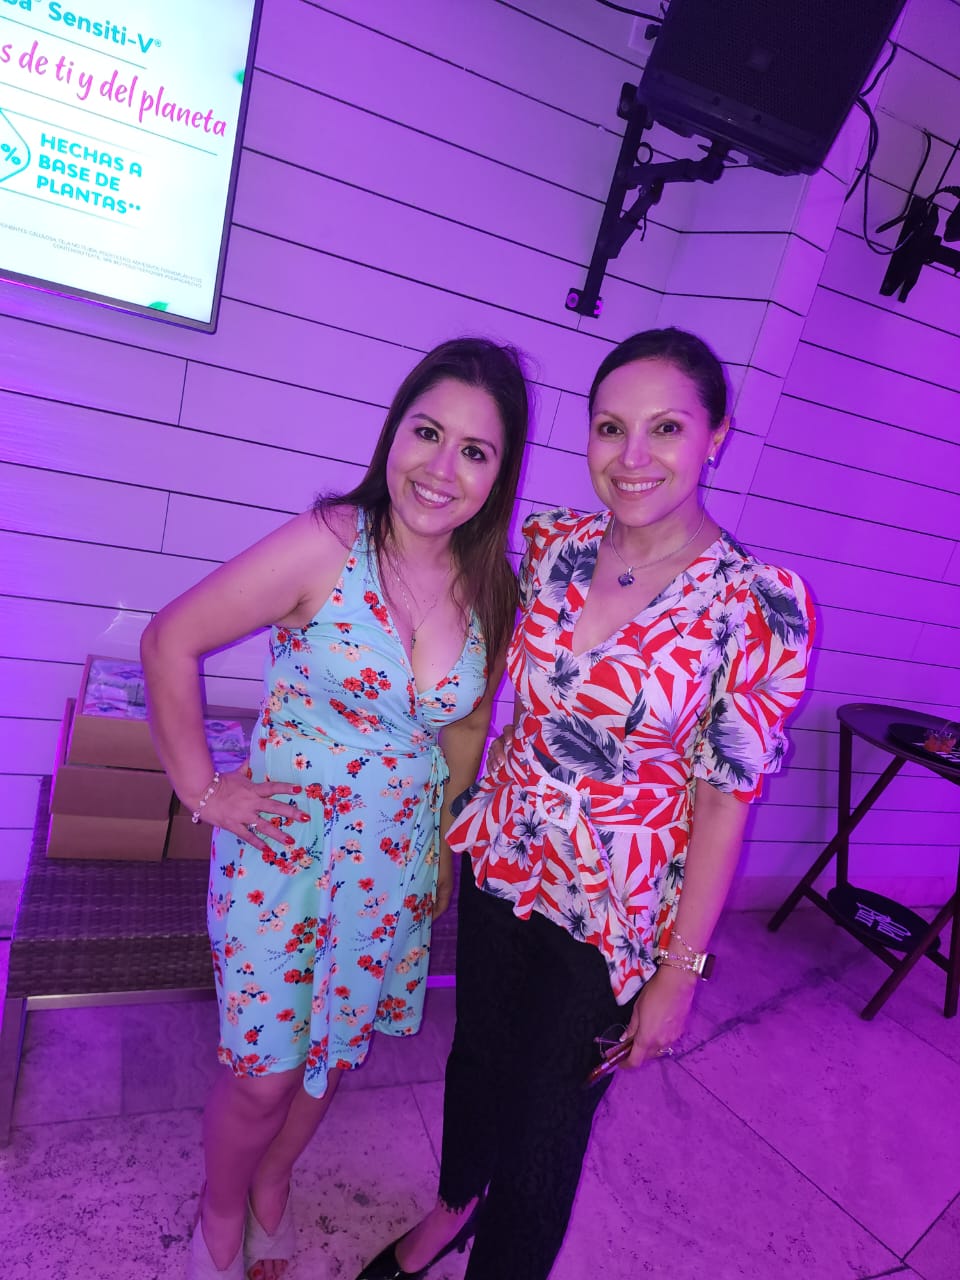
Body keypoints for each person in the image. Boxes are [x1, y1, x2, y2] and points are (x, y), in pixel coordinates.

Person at [355, 327, 815, 1280]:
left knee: (548, 1123)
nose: (632, 456)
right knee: (477, 1057)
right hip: (503, 859)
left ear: (717, 437)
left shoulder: (756, 606)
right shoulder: (552, 546)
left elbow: (724, 804)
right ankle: (454, 1205)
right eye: (611, 427)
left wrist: (680, 974)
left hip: (615, 912)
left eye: (666, 428)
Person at [140, 337, 530, 1280]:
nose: (442, 468)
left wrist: (441, 849)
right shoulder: (328, 542)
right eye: (427, 432)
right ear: (394, 432)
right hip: (285, 855)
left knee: (333, 1051)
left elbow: (464, 728)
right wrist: (202, 789)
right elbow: (168, 640)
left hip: (392, 862)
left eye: (475, 451)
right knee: (263, 1072)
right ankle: (220, 1209)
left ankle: (273, 1182)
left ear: (500, 472)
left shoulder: (491, 584)